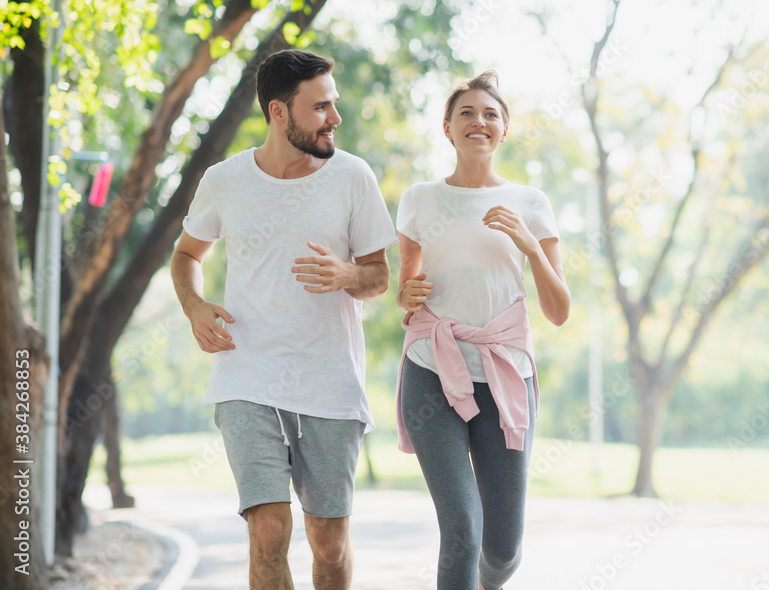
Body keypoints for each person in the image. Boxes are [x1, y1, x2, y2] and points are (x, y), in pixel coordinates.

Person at [170, 49, 397, 590]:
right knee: (268, 532)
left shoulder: (352, 177)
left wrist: (346, 274)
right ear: (278, 112)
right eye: (320, 107)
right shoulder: (225, 180)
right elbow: (186, 256)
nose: (335, 118)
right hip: (245, 374)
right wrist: (195, 306)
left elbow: (380, 277)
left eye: (333, 104)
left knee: (330, 543)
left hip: (329, 382)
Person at [394, 70, 571, 590]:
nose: (479, 121)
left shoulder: (531, 202)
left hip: (505, 375)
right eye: (466, 113)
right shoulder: (419, 199)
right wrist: (404, 295)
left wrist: (531, 245)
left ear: (504, 130)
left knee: (502, 549)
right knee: (463, 532)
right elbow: (407, 287)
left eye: (490, 114)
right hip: (432, 366)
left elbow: (559, 311)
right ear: (447, 128)